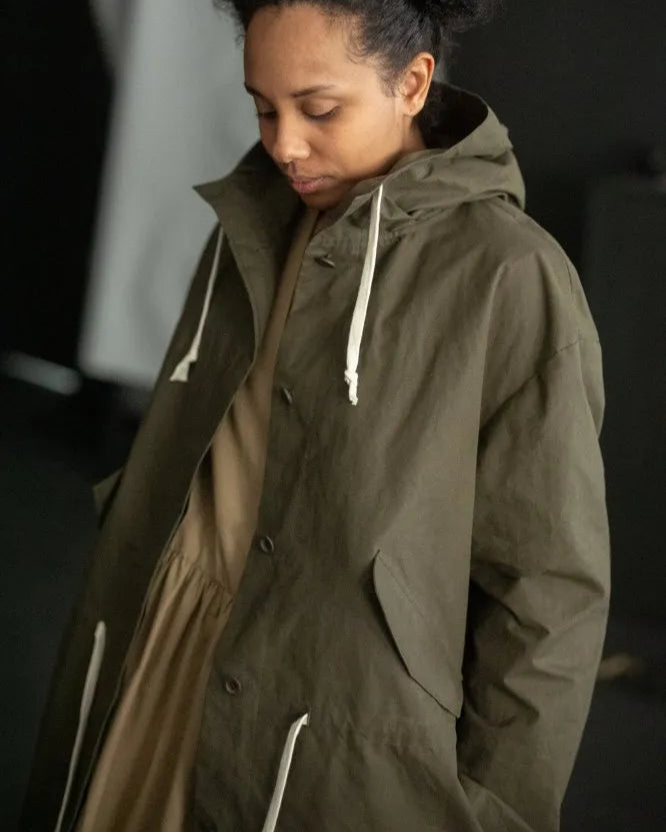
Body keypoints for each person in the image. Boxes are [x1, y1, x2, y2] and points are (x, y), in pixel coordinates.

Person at [20, 1, 611, 831]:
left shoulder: (511, 275)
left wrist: (497, 810)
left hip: (336, 715)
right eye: (263, 108)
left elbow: (547, 591)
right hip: (162, 653)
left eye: (319, 109)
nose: (285, 145)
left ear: (413, 82)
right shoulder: (249, 222)